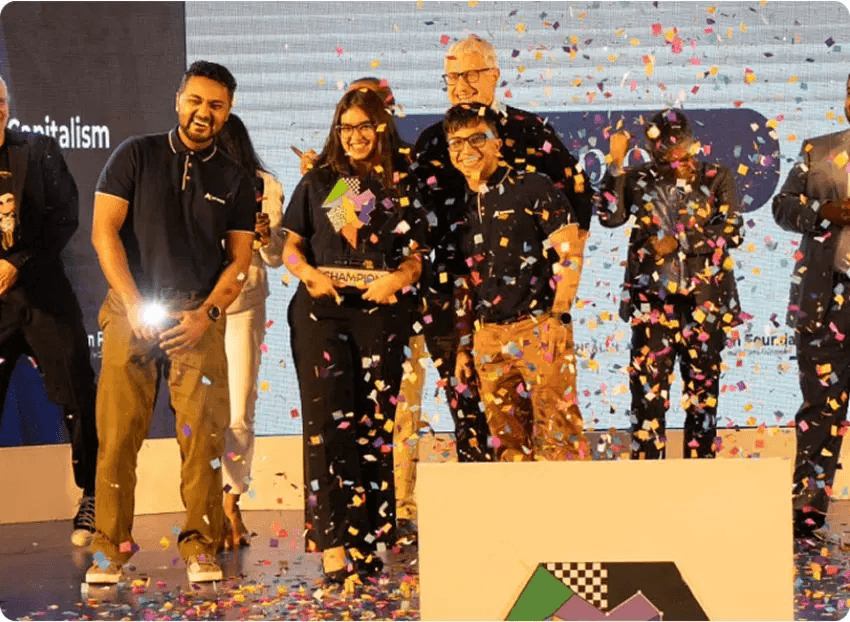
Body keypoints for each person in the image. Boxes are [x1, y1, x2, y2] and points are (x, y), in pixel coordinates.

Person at [396, 33, 593, 527]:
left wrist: (558, 298)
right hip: (450, 304)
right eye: (452, 76)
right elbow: (390, 206)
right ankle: (490, 526)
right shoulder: (428, 142)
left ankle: (566, 526)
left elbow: (577, 202)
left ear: (494, 75)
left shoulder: (530, 133)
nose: (461, 84)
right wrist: (336, 198)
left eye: (471, 74)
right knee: (471, 416)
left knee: (551, 424)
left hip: (530, 309)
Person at [87, 61, 256, 584]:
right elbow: (103, 233)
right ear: (179, 100)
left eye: (217, 105)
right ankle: (108, 551)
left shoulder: (236, 178)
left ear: (228, 112)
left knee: (203, 441)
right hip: (131, 308)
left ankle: (201, 548)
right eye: (196, 100)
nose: (204, 112)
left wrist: (208, 315)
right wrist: (133, 301)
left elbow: (240, 260)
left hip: (196, 317)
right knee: (117, 438)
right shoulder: (135, 154)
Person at [282, 87, 426, 584]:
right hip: (321, 311)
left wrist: (396, 280)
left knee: (373, 426)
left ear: (381, 127)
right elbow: (292, 247)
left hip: (380, 312)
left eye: (364, 126)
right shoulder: (320, 180)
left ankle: (367, 542)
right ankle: (333, 544)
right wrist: (308, 275)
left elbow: (416, 257)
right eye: (346, 128)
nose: (355, 136)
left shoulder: (402, 184)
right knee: (327, 426)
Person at [598, 109, 744, 460]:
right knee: (647, 400)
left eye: (679, 140)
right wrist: (615, 164)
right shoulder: (637, 177)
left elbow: (733, 231)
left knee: (702, 399)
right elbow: (609, 216)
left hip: (704, 302)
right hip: (652, 301)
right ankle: (648, 478)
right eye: (663, 143)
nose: (673, 149)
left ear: (691, 139)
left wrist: (679, 241)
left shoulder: (716, 176)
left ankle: (702, 476)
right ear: (651, 146)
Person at [446, 104, 587, 461]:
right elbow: (463, 281)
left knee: (560, 440)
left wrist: (559, 315)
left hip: (539, 327)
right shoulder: (457, 207)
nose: (467, 149)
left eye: (477, 138)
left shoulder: (532, 186)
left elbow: (569, 251)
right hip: (488, 339)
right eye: (456, 142)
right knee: (509, 451)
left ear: (497, 143)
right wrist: (465, 344)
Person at [0, 76, 99, 547]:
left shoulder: (37, 150)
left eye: (0, 101)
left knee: (78, 393)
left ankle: (93, 495)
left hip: (44, 294)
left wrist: (16, 263)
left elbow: (65, 215)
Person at [773, 74, 850, 537]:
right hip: (828, 298)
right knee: (820, 406)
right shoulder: (817, 151)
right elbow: (782, 207)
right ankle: (807, 506)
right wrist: (822, 213)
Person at [217, 113, 284, 549]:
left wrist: (265, 237)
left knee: (239, 410)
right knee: (200, 410)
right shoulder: (190, 180)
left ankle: (230, 499)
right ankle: (203, 506)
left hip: (243, 304)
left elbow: (277, 256)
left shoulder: (265, 185)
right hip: (197, 305)